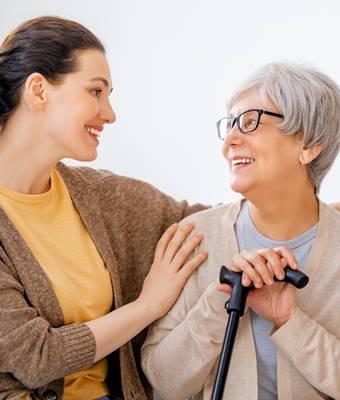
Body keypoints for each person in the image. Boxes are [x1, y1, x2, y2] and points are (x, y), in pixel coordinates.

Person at [0, 16, 210, 400]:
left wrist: (319, 209)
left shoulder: (99, 196)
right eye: (96, 92)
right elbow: (37, 355)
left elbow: (202, 220)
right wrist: (148, 306)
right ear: (38, 90)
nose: (109, 113)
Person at [142, 63, 340, 400]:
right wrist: (220, 300)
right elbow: (164, 382)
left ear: (309, 144)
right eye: (230, 125)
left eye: (250, 122)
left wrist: (290, 320)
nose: (229, 142)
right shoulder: (194, 238)